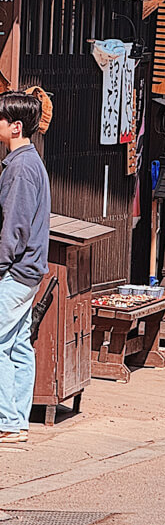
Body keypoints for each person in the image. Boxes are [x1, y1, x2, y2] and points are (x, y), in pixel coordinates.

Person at [0, 91, 51, 445]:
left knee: (4, 344)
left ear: (15, 127)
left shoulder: (20, 168)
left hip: (15, 270)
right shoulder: (28, 162)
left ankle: (7, 420)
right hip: (29, 271)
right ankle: (17, 421)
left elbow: (13, 228)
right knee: (18, 344)